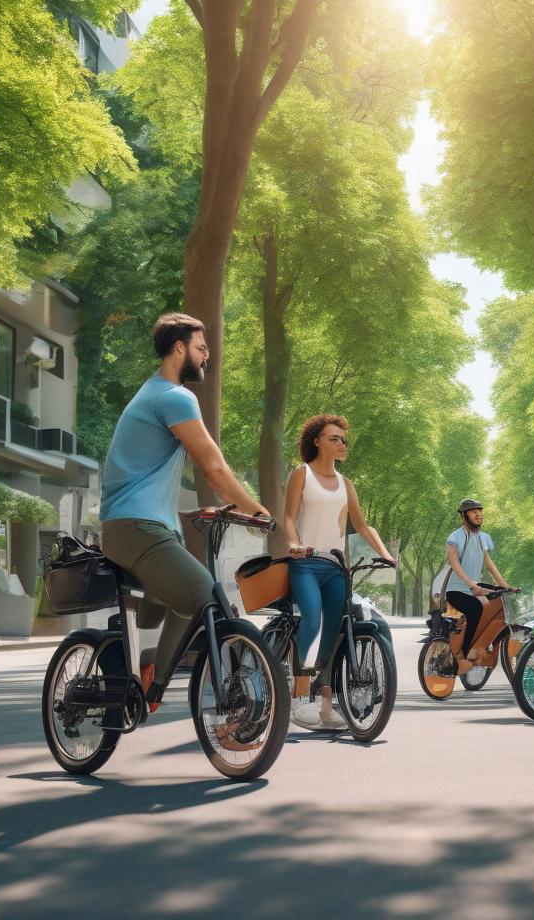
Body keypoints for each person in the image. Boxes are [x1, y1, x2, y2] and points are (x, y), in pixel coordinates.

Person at [100, 312, 269, 714]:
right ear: (180, 348)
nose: (207, 355)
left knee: (174, 600)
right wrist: (256, 509)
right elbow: (212, 466)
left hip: (138, 527)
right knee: (205, 593)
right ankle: (152, 688)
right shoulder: (174, 396)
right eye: (201, 347)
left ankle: (143, 678)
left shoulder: (154, 392)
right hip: (137, 527)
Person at [283, 414, 395, 730]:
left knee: (334, 634)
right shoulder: (301, 474)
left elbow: (361, 525)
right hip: (305, 563)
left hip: (335, 568)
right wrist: (294, 542)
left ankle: (326, 708)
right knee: (314, 620)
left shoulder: (346, 484)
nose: (341, 443)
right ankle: (299, 700)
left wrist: (385, 554)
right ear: (317, 441)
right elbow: (289, 517)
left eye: (343, 439)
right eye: (334, 438)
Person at [443, 499, 512, 674]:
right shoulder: (455, 538)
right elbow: (455, 564)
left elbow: (489, 564)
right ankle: (465, 655)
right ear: (463, 516)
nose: (478, 514)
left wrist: (505, 585)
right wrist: (470, 584)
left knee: (495, 603)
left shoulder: (482, 538)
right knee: (475, 609)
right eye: (473, 511)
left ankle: (478, 647)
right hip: (456, 589)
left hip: (473, 587)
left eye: (479, 511)